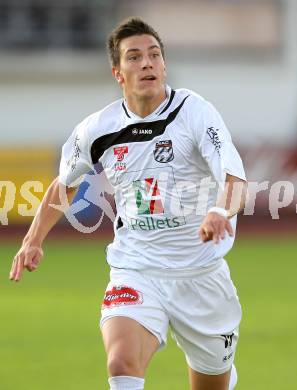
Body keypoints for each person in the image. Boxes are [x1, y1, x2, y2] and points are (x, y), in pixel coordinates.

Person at [10, 17, 248, 390]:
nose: (147, 63)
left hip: (201, 275)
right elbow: (64, 184)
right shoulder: (96, 129)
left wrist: (219, 211)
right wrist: (33, 239)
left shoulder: (195, 112)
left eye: (154, 55)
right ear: (118, 73)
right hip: (136, 269)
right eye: (134, 57)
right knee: (121, 362)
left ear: (164, 65)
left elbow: (234, 177)